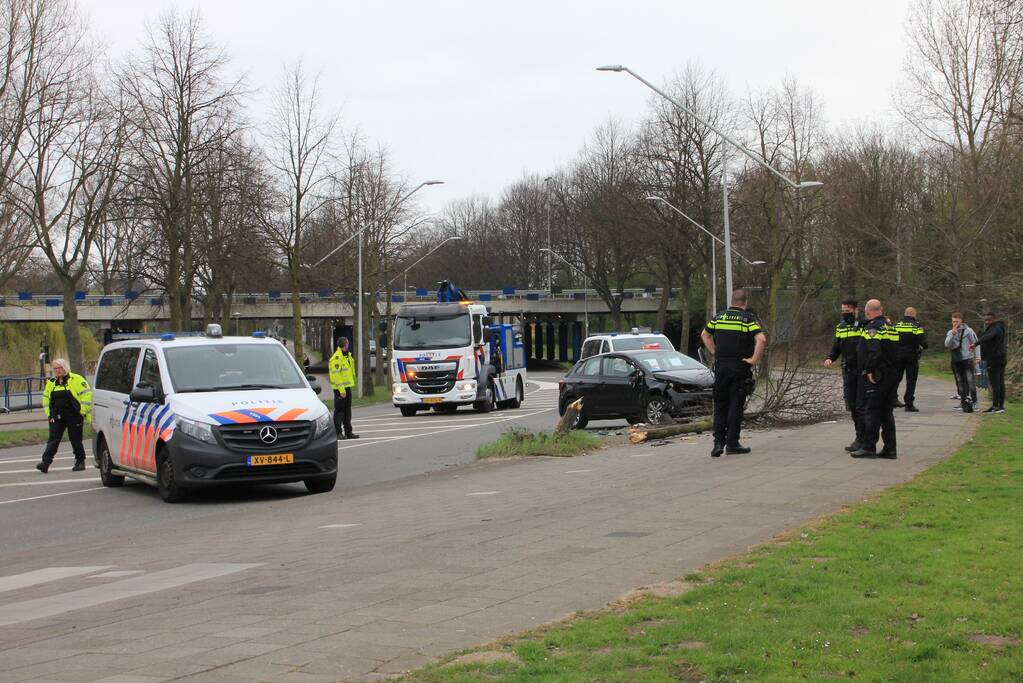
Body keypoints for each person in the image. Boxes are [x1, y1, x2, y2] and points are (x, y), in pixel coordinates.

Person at [701, 289, 767, 458]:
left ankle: (717, 444)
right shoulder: (747, 319)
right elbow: (761, 339)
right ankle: (732, 443)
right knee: (735, 406)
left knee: (721, 405)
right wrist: (754, 359)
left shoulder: (719, 317)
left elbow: (705, 335)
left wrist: (715, 352)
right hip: (739, 367)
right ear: (745, 302)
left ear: (732, 301)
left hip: (721, 367)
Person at [851, 299, 899, 459]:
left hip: (878, 375)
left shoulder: (872, 327)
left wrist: (870, 370)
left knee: (872, 411)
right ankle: (890, 449)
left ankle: (868, 447)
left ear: (868, 312)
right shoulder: (890, 326)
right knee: (887, 413)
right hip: (892, 374)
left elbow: (874, 352)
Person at [36, 358, 92, 473]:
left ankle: (80, 461)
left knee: (75, 439)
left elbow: (87, 396)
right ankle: (45, 463)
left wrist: (82, 412)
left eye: (60, 368)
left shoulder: (77, 379)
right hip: (57, 416)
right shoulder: (51, 382)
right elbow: (46, 399)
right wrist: (49, 415)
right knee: (53, 440)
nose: (57, 370)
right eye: (55, 368)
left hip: (74, 415)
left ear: (65, 367)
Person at [824, 298, 865, 452]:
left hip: (862, 371)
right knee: (852, 405)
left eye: (847, 311)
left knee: (862, 406)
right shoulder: (840, 327)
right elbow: (836, 347)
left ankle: (865, 439)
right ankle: (859, 437)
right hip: (848, 371)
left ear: (855, 310)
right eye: (843, 311)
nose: (845, 314)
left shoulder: (864, 325)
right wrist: (830, 358)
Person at [894, 307, 928, 412]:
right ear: (914, 315)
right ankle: (909, 404)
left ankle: (893, 399)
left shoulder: (897, 325)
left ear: (905, 314)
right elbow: (924, 343)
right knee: (911, 380)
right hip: (911, 357)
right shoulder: (916, 326)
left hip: (897, 356)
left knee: (896, 379)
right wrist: (923, 346)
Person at [972, 311, 1007, 414]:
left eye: (989, 320)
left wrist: (975, 343)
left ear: (994, 319)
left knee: (995, 383)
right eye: (985, 320)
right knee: (1000, 382)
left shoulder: (994, 328)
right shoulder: (1001, 327)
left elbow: (988, 336)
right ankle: (1001, 406)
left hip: (994, 359)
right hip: (1001, 358)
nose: (987, 322)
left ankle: (995, 406)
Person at [944, 312, 979, 413]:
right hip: (956, 360)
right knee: (960, 382)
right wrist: (952, 334)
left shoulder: (969, 331)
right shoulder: (950, 332)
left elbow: (976, 344)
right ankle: (963, 402)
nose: (955, 324)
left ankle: (974, 402)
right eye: (953, 322)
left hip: (967, 359)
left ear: (961, 321)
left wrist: (978, 357)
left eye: (957, 321)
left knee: (970, 381)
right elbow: (947, 344)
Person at [329, 337, 358, 439]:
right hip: (340, 389)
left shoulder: (346, 355)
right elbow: (336, 375)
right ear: (345, 345)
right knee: (339, 412)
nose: (348, 345)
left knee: (347, 411)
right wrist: (341, 390)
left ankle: (348, 432)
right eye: (347, 343)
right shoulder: (336, 358)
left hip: (347, 387)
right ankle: (338, 433)